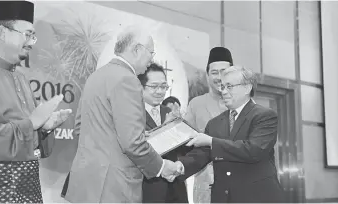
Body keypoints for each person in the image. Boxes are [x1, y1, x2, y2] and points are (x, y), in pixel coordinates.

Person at [62, 26, 181, 203]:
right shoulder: (128, 80)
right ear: (137, 49)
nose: (152, 59)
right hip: (114, 187)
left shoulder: (96, 76)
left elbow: (82, 128)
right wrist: (162, 167)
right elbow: (132, 143)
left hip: (87, 184)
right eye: (151, 52)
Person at [0, 1, 72, 203]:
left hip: (27, 187)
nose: (32, 42)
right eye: (27, 34)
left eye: (33, 36)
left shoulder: (21, 77)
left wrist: (45, 128)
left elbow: (32, 136)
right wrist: (31, 124)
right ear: (3, 32)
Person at [178, 66, 285, 203]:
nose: (224, 92)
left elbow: (253, 150)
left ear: (247, 88)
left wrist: (211, 141)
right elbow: (202, 154)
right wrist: (179, 166)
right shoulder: (214, 123)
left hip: (257, 197)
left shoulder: (264, 116)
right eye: (222, 87)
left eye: (229, 86)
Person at [183, 47, 233, 203]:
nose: (219, 77)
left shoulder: (243, 104)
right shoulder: (196, 105)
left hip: (239, 183)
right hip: (206, 184)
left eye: (224, 71)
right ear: (207, 75)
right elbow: (184, 142)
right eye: (214, 72)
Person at [138, 63, 191, 203]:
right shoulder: (132, 115)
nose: (160, 91)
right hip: (149, 190)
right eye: (154, 87)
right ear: (141, 87)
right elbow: (137, 149)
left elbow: (183, 148)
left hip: (176, 190)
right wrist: (165, 128)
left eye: (163, 86)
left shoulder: (169, 112)